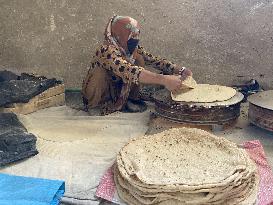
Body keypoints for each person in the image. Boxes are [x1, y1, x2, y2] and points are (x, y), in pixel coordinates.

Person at [82, 15, 192, 115]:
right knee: (99, 73)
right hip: (101, 93)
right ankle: (96, 106)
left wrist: (180, 70)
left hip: (117, 93)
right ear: (120, 34)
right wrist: (164, 80)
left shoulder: (131, 49)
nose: (134, 40)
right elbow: (129, 71)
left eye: (135, 36)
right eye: (131, 36)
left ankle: (130, 99)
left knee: (138, 58)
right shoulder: (105, 50)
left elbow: (155, 61)